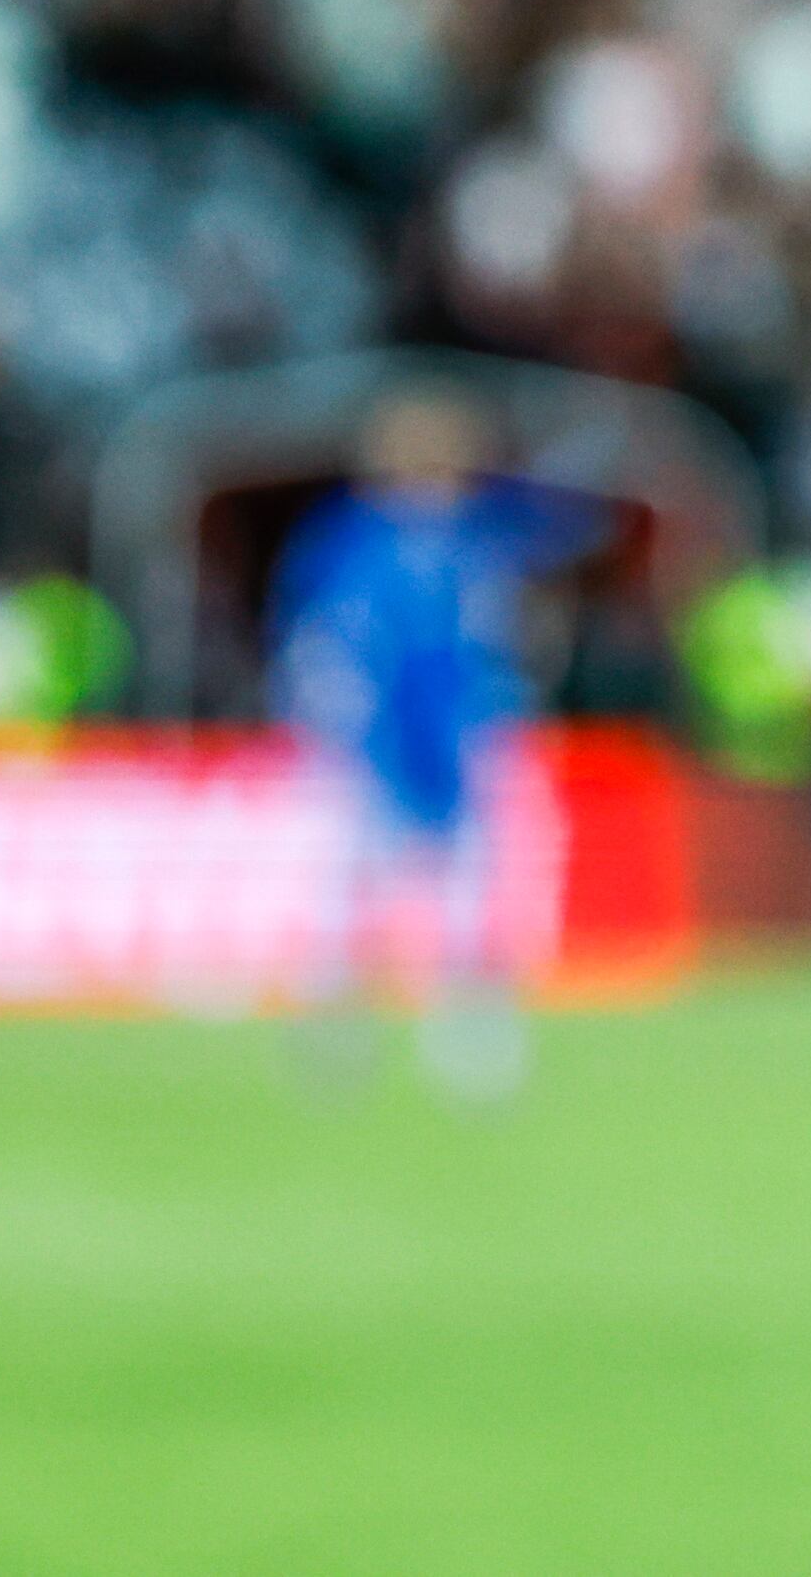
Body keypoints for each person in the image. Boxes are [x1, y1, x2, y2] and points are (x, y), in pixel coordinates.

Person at [271, 384, 602, 1096]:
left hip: (470, 733)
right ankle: (335, 1027)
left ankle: (469, 1030)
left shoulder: (483, 535)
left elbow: (572, 533)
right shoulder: (349, 540)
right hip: (369, 741)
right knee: (348, 887)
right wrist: (337, 718)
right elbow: (316, 641)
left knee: (473, 889)